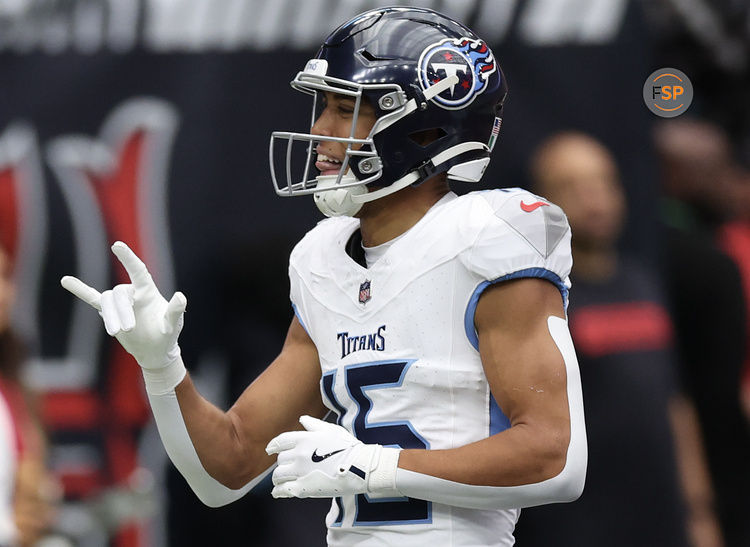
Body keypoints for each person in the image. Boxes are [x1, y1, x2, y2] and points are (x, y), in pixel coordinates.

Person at [60, 7, 587, 546]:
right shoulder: (323, 259)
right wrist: (160, 366)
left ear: (423, 126)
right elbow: (226, 469)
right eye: (324, 107)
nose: (319, 130)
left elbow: (556, 459)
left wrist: (375, 469)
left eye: (345, 109)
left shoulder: (488, 234)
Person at [513, 131, 723, 547]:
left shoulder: (643, 281)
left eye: (604, 182)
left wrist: (699, 508)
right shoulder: (535, 297)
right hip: (577, 522)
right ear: (542, 201)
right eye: (572, 186)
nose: (594, 198)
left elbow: (673, 400)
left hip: (661, 514)